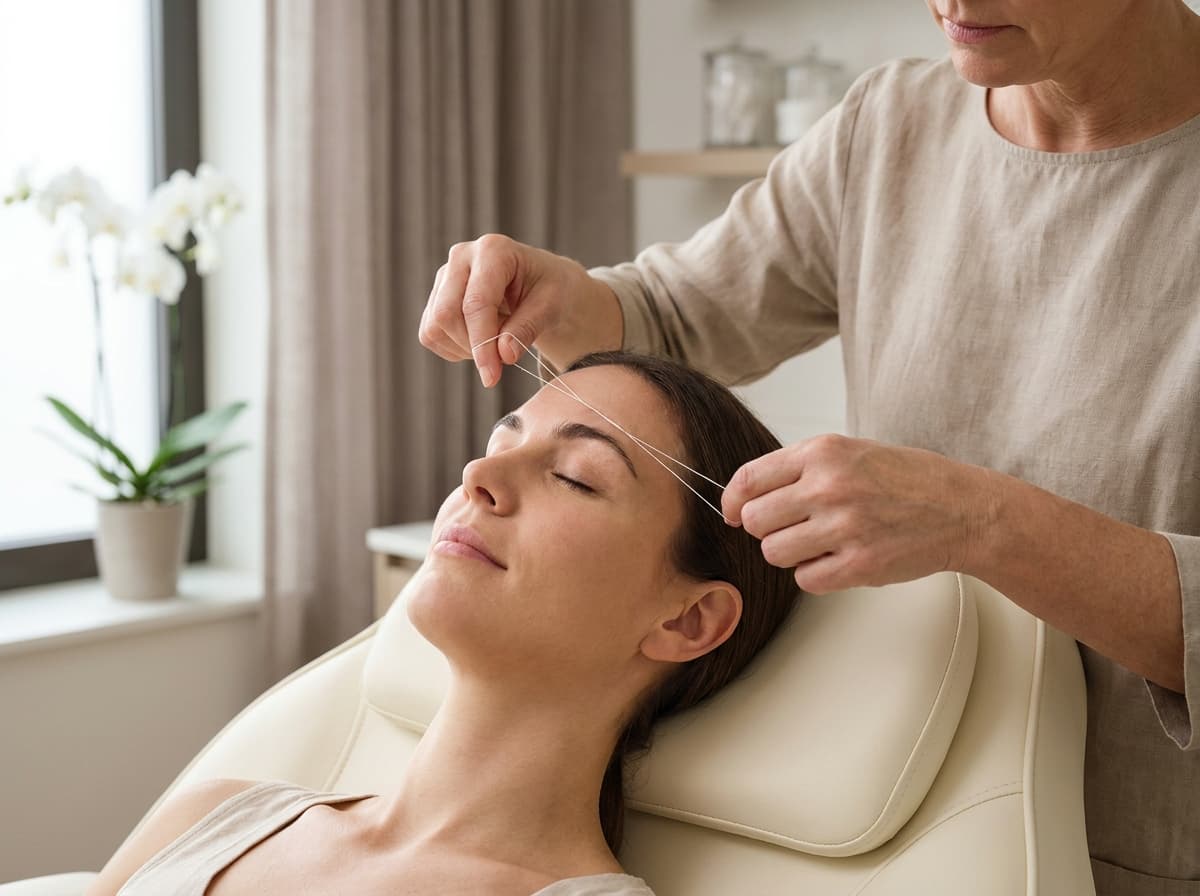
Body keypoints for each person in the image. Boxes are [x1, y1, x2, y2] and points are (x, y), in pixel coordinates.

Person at [418, 2, 1200, 889]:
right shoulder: (891, 127)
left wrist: (981, 521)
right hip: (908, 838)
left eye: (578, 477)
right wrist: (568, 301)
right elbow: (674, 314)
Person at [85, 353, 798, 896]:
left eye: (576, 476)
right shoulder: (223, 819)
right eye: (500, 443)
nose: (477, 475)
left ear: (689, 620)